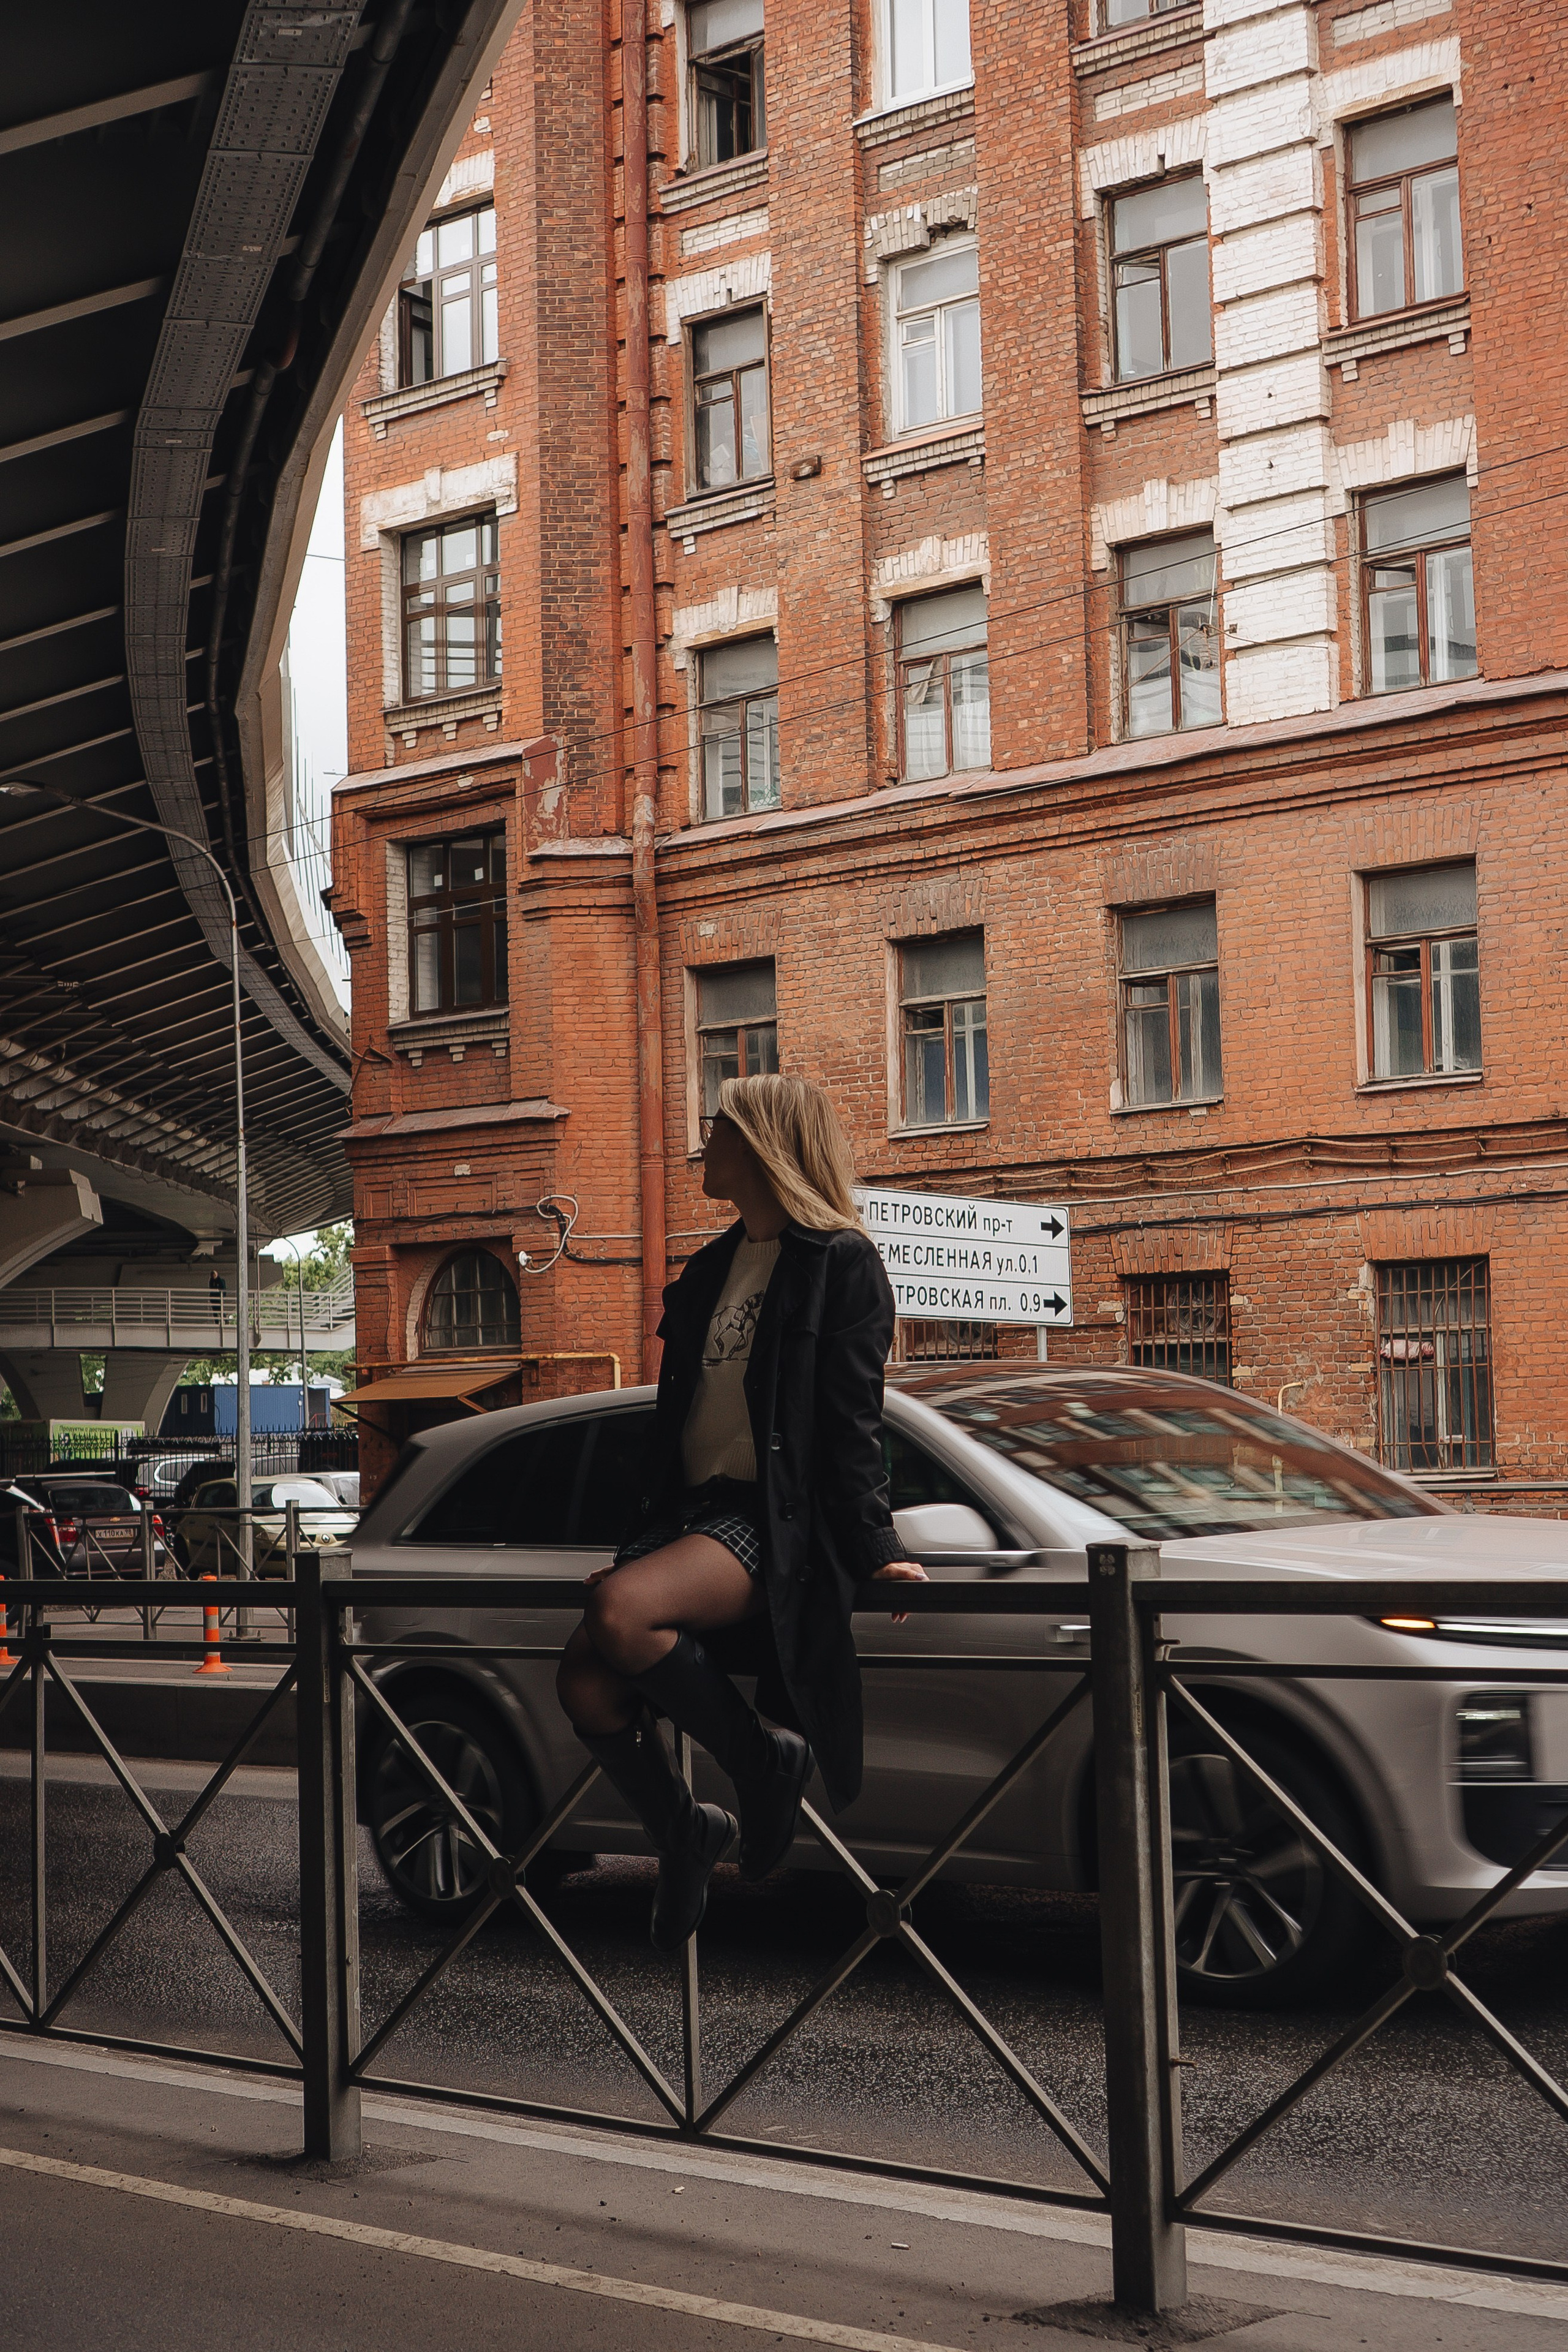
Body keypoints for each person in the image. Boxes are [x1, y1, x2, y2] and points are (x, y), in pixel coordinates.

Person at [556, 1074, 927, 1952]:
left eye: (719, 1128)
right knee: (586, 1680)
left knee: (619, 1610)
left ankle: (764, 1763)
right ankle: (686, 1833)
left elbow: (851, 1422)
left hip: (772, 1517)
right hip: (692, 1514)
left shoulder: (840, 1262)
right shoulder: (716, 1267)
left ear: (762, 1144)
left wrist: (876, 1542)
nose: (704, 1143)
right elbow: (678, 1414)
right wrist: (645, 1549)